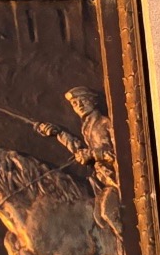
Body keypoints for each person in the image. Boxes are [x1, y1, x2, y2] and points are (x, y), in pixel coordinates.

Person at [36, 86, 123, 244]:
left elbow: (118, 154)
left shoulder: (105, 123)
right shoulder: (87, 127)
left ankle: (129, 243)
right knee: (97, 217)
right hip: (102, 182)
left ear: (93, 101)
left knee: (107, 212)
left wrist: (92, 154)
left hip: (117, 180)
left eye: (83, 101)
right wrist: (58, 133)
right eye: (75, 104)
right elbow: (80, 150)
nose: (80, 105)